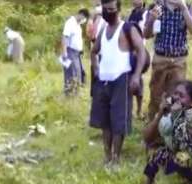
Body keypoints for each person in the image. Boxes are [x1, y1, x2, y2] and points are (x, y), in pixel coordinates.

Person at [90, 0, 146, 167]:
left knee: (119, 121)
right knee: (104, 121)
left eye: (112, 9)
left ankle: (116, 158)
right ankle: (107, 156)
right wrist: (95, 68)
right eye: (106, 9)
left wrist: (136, 76)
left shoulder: (127, 28)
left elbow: (141, 51)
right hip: (103, 81)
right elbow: (94, 51)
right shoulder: (103, 29)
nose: (108, 12)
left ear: (119, 9)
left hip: (122, 78)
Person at [144, 0, 192, 121]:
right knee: (156, 97)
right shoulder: (155, 5)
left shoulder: (187, 5)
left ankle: (172, 131)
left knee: (176, 98)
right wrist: (152, 19)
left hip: (179, 60)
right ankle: (153, 133)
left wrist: (183, 8)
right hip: (160, 58)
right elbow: (146, 35)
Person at [62, 9, 90, 96]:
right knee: (71, 73)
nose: (83, 20)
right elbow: (64, 37)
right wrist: (64, 52)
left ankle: (74, 93)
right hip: (70, 51)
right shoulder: (70, 23)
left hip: (76, 53)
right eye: (84, 18)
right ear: (80, 15)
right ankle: (70, 94)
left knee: (78, 73)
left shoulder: (78, 24)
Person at [128, 0, 148, 118]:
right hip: (129, 51)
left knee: (138, 78)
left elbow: (145, 33)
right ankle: (129, 109)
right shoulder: (131, 13)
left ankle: (139, 111)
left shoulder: (145, 13)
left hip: (139, 51)